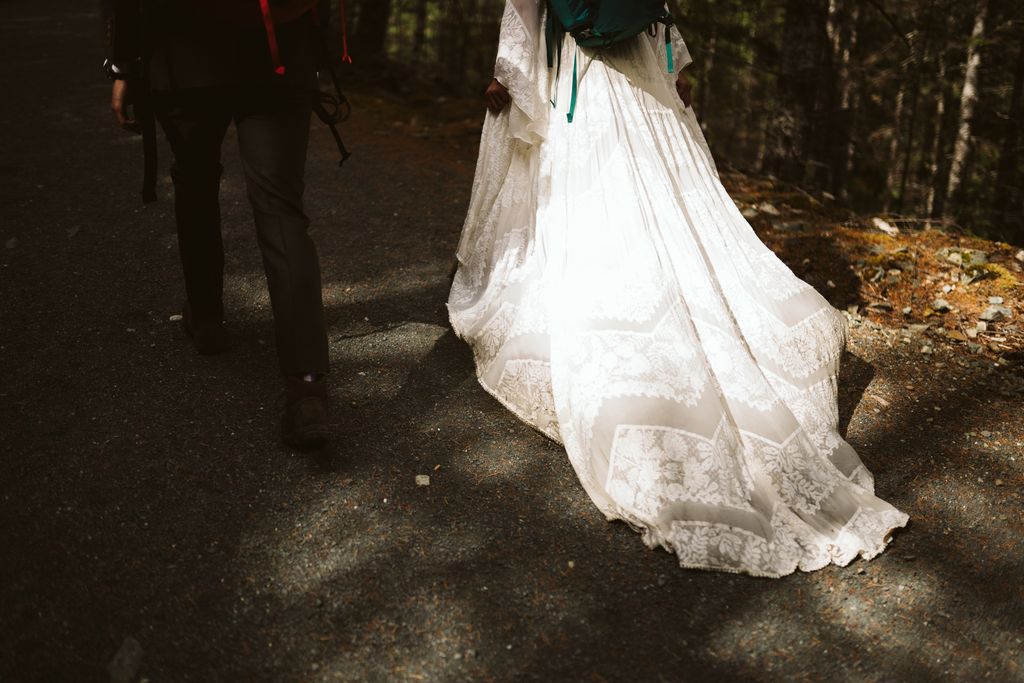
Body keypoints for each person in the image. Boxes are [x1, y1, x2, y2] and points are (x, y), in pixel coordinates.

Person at [448, 0, 908, 577]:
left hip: (582, 75)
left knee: (595, 200)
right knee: (669, 202)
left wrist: (508, 72)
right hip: (641, 66)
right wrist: (673, 64)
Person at [102, 0, 331, 448]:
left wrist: (125, 65)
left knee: (195, 182)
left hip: (183, 55)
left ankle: (206, 318)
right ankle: (307, 386)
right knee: (282, 211)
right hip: (278, 55)